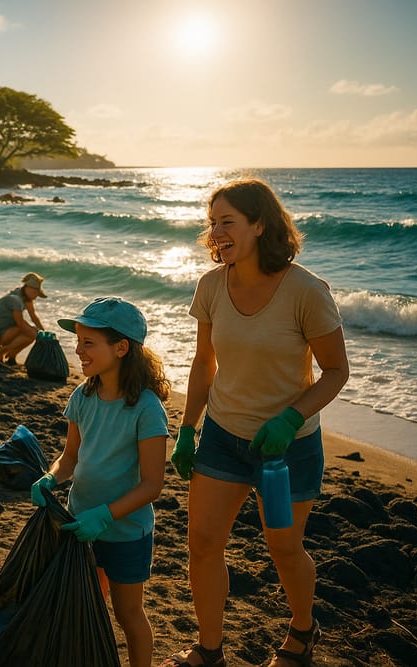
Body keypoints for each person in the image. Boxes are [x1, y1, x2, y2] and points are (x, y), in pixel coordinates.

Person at [162, 179, 349, 667]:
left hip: (287, 450)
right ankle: (209, 650)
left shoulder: (306, 290)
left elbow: (336, 371)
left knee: (284, 548)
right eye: (212, 223)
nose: (216, 233)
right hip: (222, 437)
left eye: (228, 222)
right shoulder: (210, 286)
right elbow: (204, 363)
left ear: (260, 225)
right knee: (203, 544)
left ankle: (302, 631)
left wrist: (290, 418)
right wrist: (187, 429)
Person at [30, 296, 169, 667]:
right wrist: (50, 477)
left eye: (88, 342)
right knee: (85, 605)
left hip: (125, 533)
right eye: (78, 341)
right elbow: (70, 458)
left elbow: (153, 485)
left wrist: (105, 516)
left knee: (128, 614)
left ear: (121, 348)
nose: (78, 350)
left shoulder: (147, 408)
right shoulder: (83, 395)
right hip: (79, 525)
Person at [0, 272, 47, 365]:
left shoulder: (26, 298)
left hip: (4, 330)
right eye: (35, 292)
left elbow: (33, 317)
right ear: (27, 288)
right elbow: (20, 324)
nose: (35, 296)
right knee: (31, 333)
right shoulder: (15, 300)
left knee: (33, 333)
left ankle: (11, 357)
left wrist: (44, 333)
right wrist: (35, 334)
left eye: (37, 294)